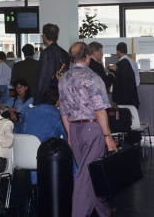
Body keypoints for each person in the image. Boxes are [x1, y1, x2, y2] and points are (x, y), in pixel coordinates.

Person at [59, 42, 116, 217]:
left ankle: (104, 211)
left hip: (75, 129)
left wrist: (69, 134)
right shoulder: (92, 78)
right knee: (85, 179)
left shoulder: (64, 78)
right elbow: (100, 110)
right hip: (92, 129)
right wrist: (108, 137)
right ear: (87, 56)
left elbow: (63, 110)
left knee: (88, 173)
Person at [22, 85, 67, 184]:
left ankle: (35, 189)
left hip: (24, 157)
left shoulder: (28, 112)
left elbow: (21, 132)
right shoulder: (58, 116)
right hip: (46, 159)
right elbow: (68, 138)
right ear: (59, 100)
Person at [35, 23, 70, 105]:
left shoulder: (46, 53)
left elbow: (42, 77)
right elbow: (63, 74)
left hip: (47, 96)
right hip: (61, 94)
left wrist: (37, 97)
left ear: (44, 36)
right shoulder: (65, 53)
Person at [109, 42, 140, 109]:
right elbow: (137, 80)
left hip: (122, 97)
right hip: (132, 95)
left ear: (117, 51)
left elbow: (117, 82)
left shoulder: (118, 65)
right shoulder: (134, 62)